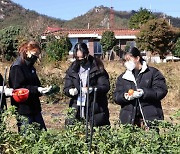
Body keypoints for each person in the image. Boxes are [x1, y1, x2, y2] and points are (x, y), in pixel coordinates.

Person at [114, 47, 168, 129]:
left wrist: (144, 92)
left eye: (129, 60)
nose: (126, 63)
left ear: (137, 58)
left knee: (151, 140)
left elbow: (161, 91)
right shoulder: (123, 77)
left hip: (149, 117)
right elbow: (116, 96)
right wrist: (125, 96)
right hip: (129, 119)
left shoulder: (153, 73)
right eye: (125, 61)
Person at [63, 42, 110, 127]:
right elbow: (66, 87)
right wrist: (70, 91)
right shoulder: (72, 69)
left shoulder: (97, 67)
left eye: (82, 57)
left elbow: (105, 86)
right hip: (77, 107)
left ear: (87, 54)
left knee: (96, 133)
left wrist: (92, 89)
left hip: (95, 107)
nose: (80, 60)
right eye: (78, 58)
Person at [8, 41, 51, 131]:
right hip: (23, 109)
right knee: (27, 136)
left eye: (38, 54)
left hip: (34, 107)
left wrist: (43, 90)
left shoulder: (30, 67)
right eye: (35, 54)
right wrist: (37, 89)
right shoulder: (17, 67)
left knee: (42, 134)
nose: (36, 57)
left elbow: (36, 84)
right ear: (27, 51)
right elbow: (18, 89)